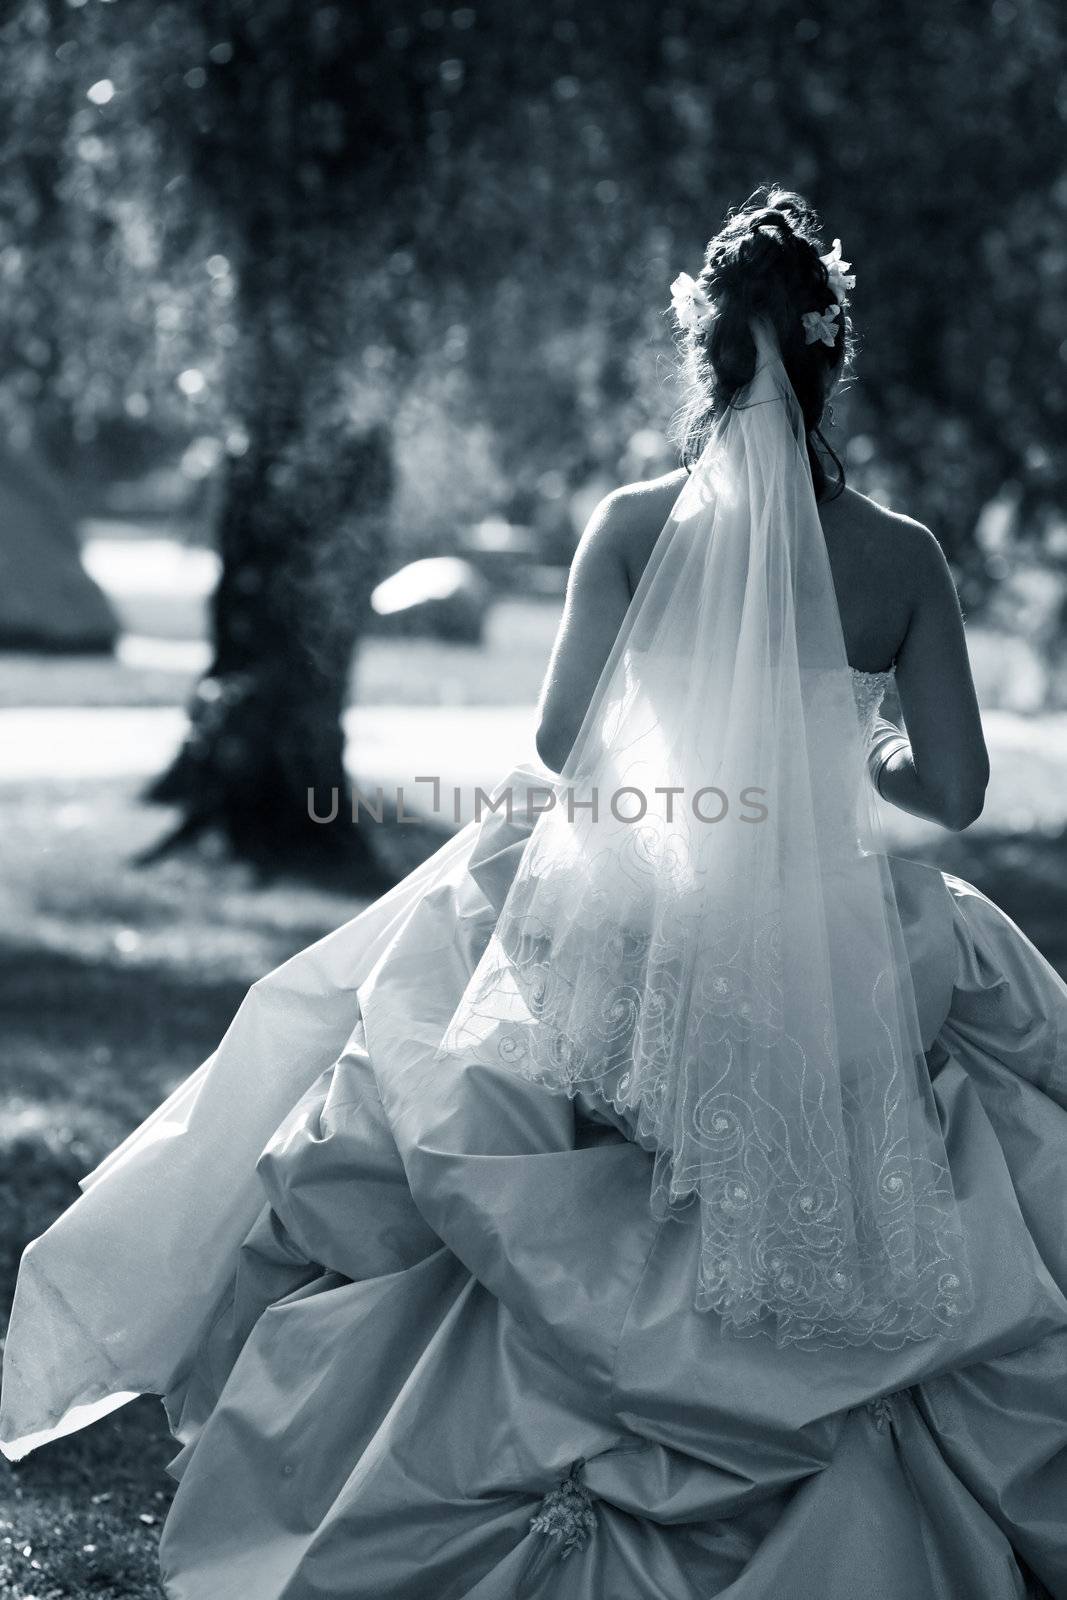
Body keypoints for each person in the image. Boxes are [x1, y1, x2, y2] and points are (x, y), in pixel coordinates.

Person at [3, 188, 1066, 1600]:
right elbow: (954, 794)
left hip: (644, 898)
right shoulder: (903, 557)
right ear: (832, 359)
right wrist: (847, 743)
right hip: (841, 928)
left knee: (465, 1052)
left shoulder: (633, 526)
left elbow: (568, 746)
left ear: (707, 358)